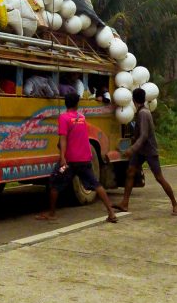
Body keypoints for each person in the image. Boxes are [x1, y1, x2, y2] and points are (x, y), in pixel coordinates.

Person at [36, 91, 117, 223]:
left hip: (69, 161)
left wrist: (62, 157)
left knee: (54, 183)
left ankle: (52, 213)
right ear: (77, 104)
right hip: (85, 159)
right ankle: (111, 212)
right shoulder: (81, 118)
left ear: (65, 103)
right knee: (95, 184)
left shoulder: (64, 118)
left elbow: (63, 139)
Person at [116, 88, 177, 215]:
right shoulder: (141, 112)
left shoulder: (143, 113)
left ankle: (175, 203)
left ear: (133, 100)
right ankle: (124, 203)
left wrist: (132, 149)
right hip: (140, 150)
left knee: (159, 177)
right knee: (130, 172)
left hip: (149, 150)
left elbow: (144, 136)